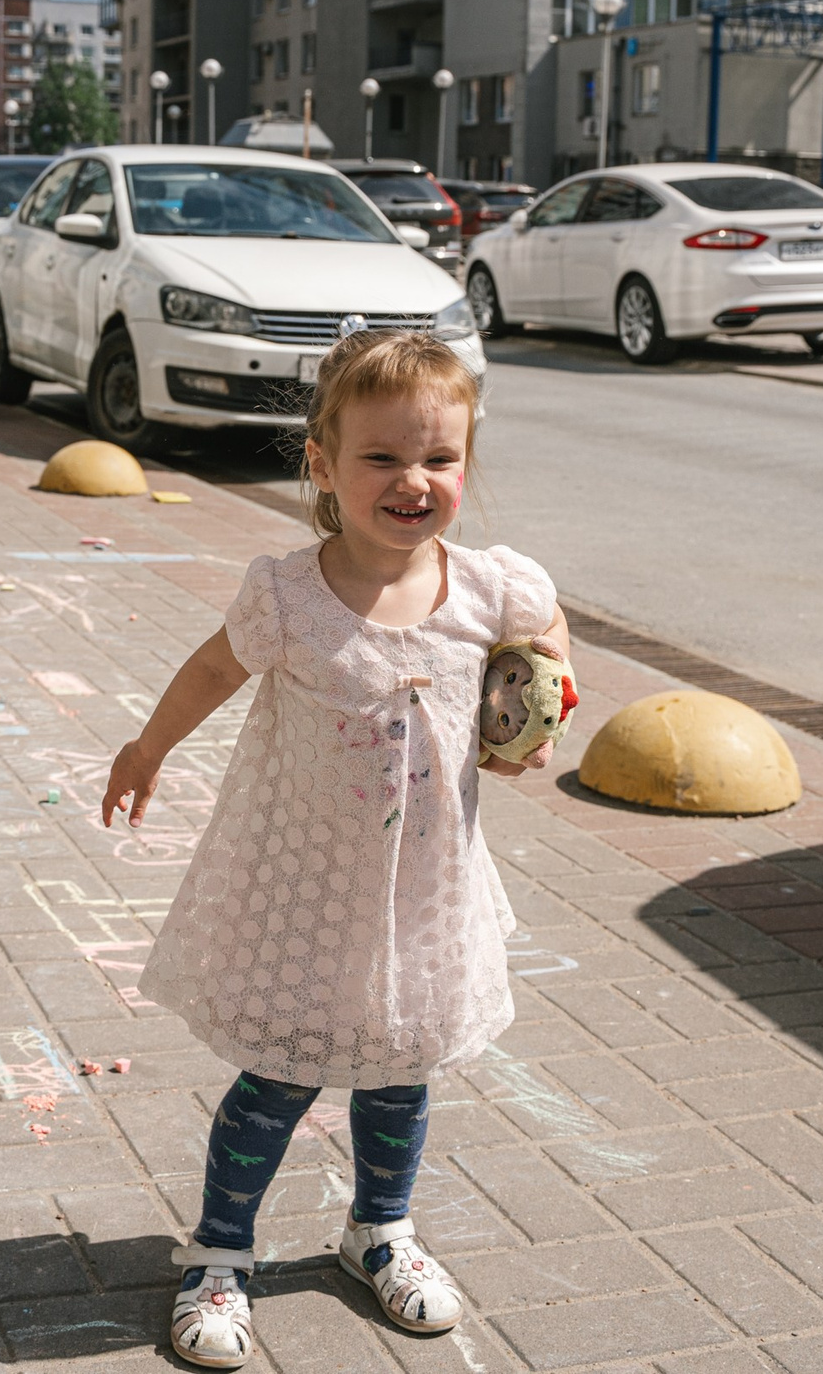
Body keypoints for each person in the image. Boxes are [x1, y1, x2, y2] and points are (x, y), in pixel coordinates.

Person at [101, 329, 573, 1369]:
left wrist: (536, 714)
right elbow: (211, 673)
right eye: (382, 458)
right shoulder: (288, 594)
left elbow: (546, 635)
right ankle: (220, 1252)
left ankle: (380, 1232)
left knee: (401, 1069)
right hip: (304, 886)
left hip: (426, 892)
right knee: (279, 1074)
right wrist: (145, 748)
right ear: (321, 463)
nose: (414, 481)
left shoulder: (490, 585)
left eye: (440, 459)